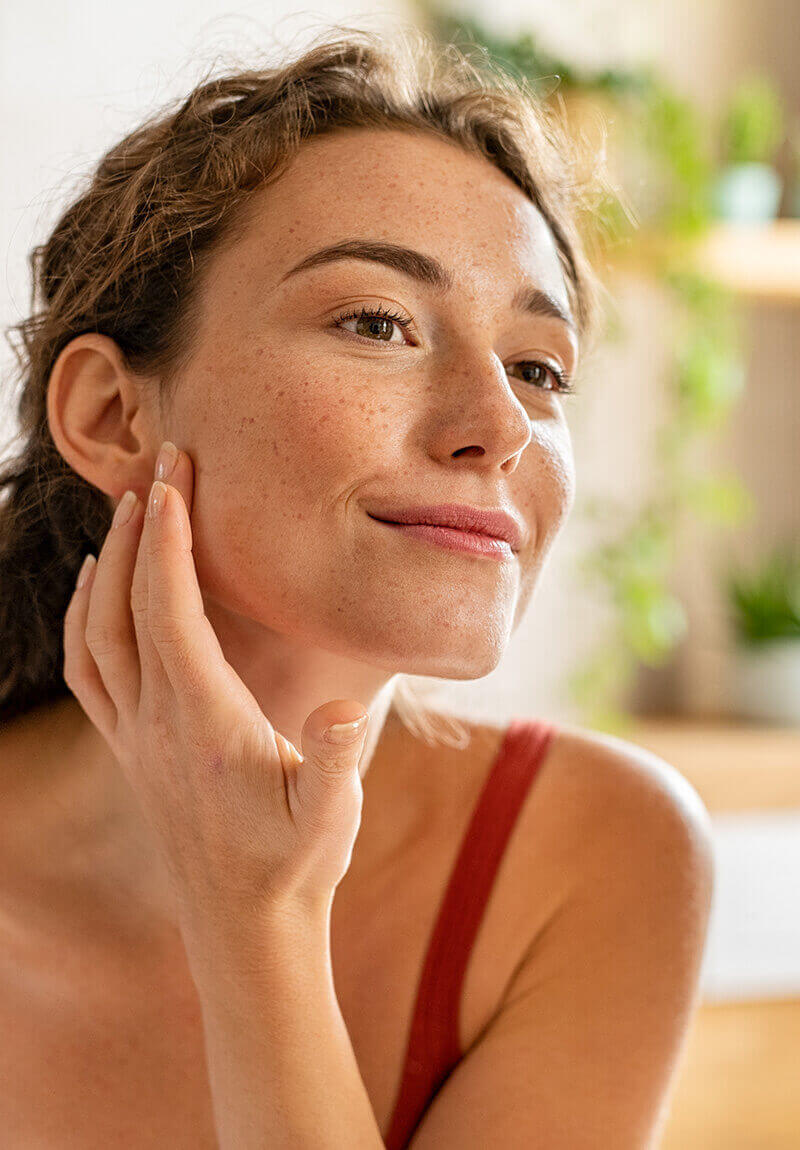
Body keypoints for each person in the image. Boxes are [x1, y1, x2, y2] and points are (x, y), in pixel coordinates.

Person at [0, 25, 714, 1149]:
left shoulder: (594, 857)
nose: (497, 428)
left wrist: (257, 909)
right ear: (110, 415)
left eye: (537, 368)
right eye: (376, 322)